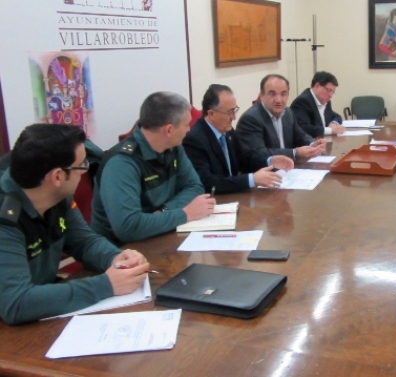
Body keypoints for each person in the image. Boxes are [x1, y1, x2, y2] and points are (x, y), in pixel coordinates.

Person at [0, 124, 150, 325]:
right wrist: (106, 285)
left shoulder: (55, 194)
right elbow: (16, 303)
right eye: (82, 165)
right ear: (58, 177)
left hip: (43, 313)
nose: (85, 171)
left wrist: (116, 258)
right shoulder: (5, 218)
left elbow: (84, 242)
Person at [91, 92, 214, 245]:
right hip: (120, 254)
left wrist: (164, 212)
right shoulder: (122, 163)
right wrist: (184, 214)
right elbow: (128, 227)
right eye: (186, 125)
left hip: (162, 236)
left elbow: (194, 187)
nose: (189, 130)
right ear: (168, 130)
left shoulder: (174, 147)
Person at [183, 84, 294, 194]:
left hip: (234, 196)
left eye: (234, 110)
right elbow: (208, 182)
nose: (234, 117)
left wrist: (270, 161)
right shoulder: (194, 140)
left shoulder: (227, 131)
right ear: (211, 114)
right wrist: (251, 180)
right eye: (229, 112)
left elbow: (244, 159)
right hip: (215, 201)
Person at [236, 74, 326, 164]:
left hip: (288, 170)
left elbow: (300, 136)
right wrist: (295, 153)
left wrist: (313, 144)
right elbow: (259, 154)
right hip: (265, 173)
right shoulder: (251, 119)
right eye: (272, 94)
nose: (278, 100)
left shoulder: (288, 112)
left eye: (283, 94)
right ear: (262, 95)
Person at [289, 71, 345, 138]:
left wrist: (334, 123)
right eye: (329, 90)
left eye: (332, 92)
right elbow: (303, 128)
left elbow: (337, 116)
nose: (331, 96)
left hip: (323, 143)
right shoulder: (303, 101)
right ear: (317, 86)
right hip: (307, 145)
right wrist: (330, 130)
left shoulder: (325, 101)